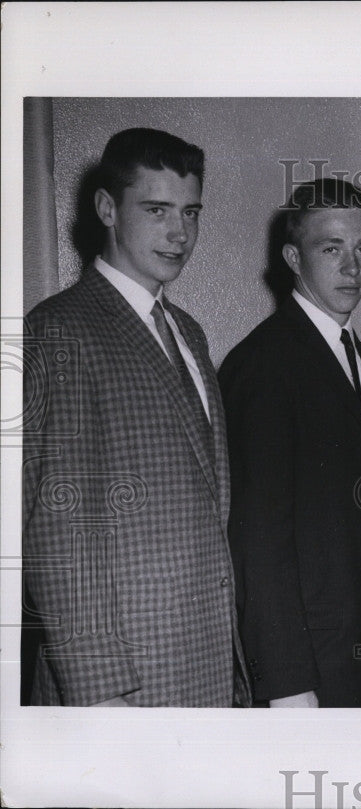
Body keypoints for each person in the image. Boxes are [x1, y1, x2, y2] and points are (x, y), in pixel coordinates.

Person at [21, 127, 249, 706]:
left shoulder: (189, 333)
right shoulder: (60, 329)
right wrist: (99, 694)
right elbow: (58, 524)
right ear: (107, 208)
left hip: (202, 664)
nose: (180, 233)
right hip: (124, 686)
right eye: (156, 210)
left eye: (191, 213)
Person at [219, 178, 361, 708]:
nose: (353, 267)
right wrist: (286, 683)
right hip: (305, 673)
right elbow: (258, 542)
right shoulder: (263, 364)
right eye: (332, 249)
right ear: (292, 258)